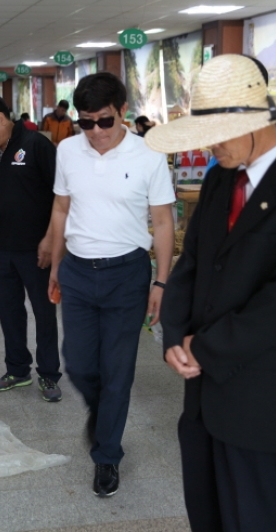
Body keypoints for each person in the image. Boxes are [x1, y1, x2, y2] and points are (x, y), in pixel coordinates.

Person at [145, 54, 276, 532]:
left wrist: (204, 347)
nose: (208, 148)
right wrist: (175, 335)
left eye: (215, 135)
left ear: (259, 124)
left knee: (257, 517)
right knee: (207, 512)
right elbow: (192, 262)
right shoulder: (219, 177)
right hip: (202, 391)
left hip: (262, 393)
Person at [48, 72, 175, 497]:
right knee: (80, 365)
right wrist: (55, 264)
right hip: (79, 272)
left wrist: (161, 281)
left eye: (104, 121)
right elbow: (61, 210)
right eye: (86, 123)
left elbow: (162, 222)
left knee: (117, 371)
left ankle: (107, 456)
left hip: (127, 275)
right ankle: (102, 413)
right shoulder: (67, 150)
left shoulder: (149, 155)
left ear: (123, 113)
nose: (96, 133)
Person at [0, 93, 61, 401]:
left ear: (1, 118)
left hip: (35, 248)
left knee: (43, 312)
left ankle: (49, 374)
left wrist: (50, 239)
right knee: (9, 312)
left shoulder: (37, 146)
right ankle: (17, 370)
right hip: (2, 247)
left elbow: (62, 196)